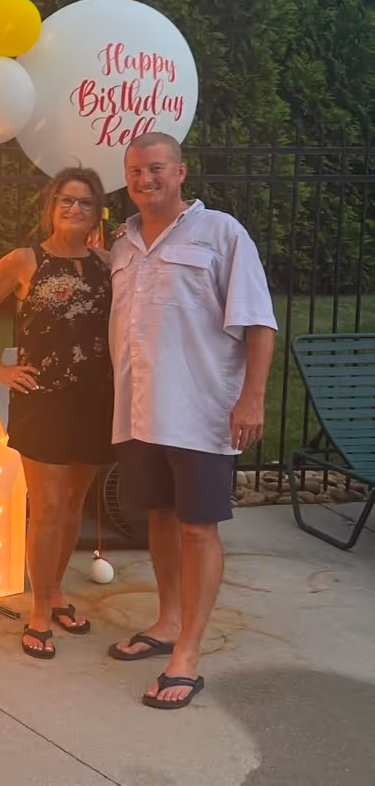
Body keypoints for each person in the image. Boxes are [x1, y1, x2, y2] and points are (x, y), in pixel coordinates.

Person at [107, 132, 277, 709]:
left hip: (202, 411)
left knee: (198, 528)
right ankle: (166, 621)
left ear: (180, 172)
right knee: (159, 518)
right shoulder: (123, 244)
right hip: (140, 411)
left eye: (155, 168)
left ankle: (189, 653)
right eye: (134, 171)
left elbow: (258, 322)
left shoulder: (221, 233)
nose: (143, 180)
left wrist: (251, 399)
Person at [0, 167, 115, 661]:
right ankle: (38, 611)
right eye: (67, 200)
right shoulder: (26, 260)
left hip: (95, 400)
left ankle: (55, 592)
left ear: (97, 212)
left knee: (72, 507)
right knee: (46, 509)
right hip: (42, 400)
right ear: (51, 206)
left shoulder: (107, 264)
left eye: (86, 202)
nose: (75, 209)